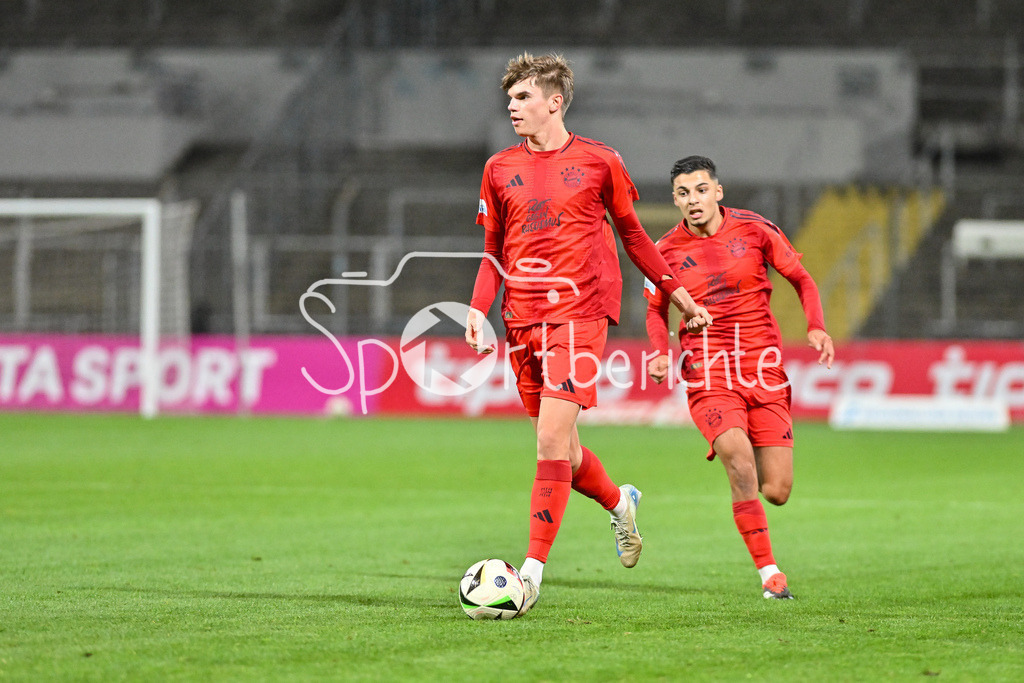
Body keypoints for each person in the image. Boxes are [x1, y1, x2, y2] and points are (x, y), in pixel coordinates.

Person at [464, 53, 712, 617]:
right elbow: (491, 254)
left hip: (581, 312)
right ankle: (620, 501)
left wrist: (678, 294)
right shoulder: (499, 168)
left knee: (550, 442)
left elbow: (634, 236)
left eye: (523, 97)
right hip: (521, 315)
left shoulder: (600, 162)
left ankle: (528, 576)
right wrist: (478, 310)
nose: (512, 106)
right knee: (567, 451)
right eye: (509, 99)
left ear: (555, 101)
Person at [644, 155, 834, 600]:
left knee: (778, 490)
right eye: (684, 193)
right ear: (675, 200)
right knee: (737, 455)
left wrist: (817, 325)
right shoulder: (663, 251)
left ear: (718, 191)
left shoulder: (755, 229)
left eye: (702, 190)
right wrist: (658, 353)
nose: (694, 200)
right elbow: (655, 312)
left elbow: (802, 279)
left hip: (763, 369)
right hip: (707, 370)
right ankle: (770, 573)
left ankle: (758, 515)